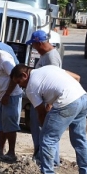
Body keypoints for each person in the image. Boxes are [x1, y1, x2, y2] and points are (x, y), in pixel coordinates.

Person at [10, 64, 87, 174]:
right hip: (82, 98)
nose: (19, 86)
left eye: (19, 82)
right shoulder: (49, 68)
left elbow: (41, 113)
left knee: (47, 139)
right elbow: (76, 77)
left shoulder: (31, 87)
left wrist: (46, 130)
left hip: (67, 103)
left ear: (24, 75)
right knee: (80, 139)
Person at [25, 30, 62, 166]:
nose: (33, 48)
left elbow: (54, 80)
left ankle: (49, 161)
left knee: (46, 132)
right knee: (40, 130)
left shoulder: (51, 57)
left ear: (39, 43)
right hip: (41, 99)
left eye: (34, 45)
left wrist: (49, 104)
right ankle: (43, 158)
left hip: (46, 101)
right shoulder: (45, 55)